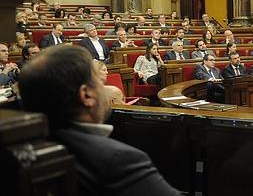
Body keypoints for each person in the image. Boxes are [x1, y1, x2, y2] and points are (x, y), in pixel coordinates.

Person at [18, 46, 181, 195]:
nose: (105, 88)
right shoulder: (119, 159)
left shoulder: (22, 151)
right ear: (86, 95)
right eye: (99, 82)